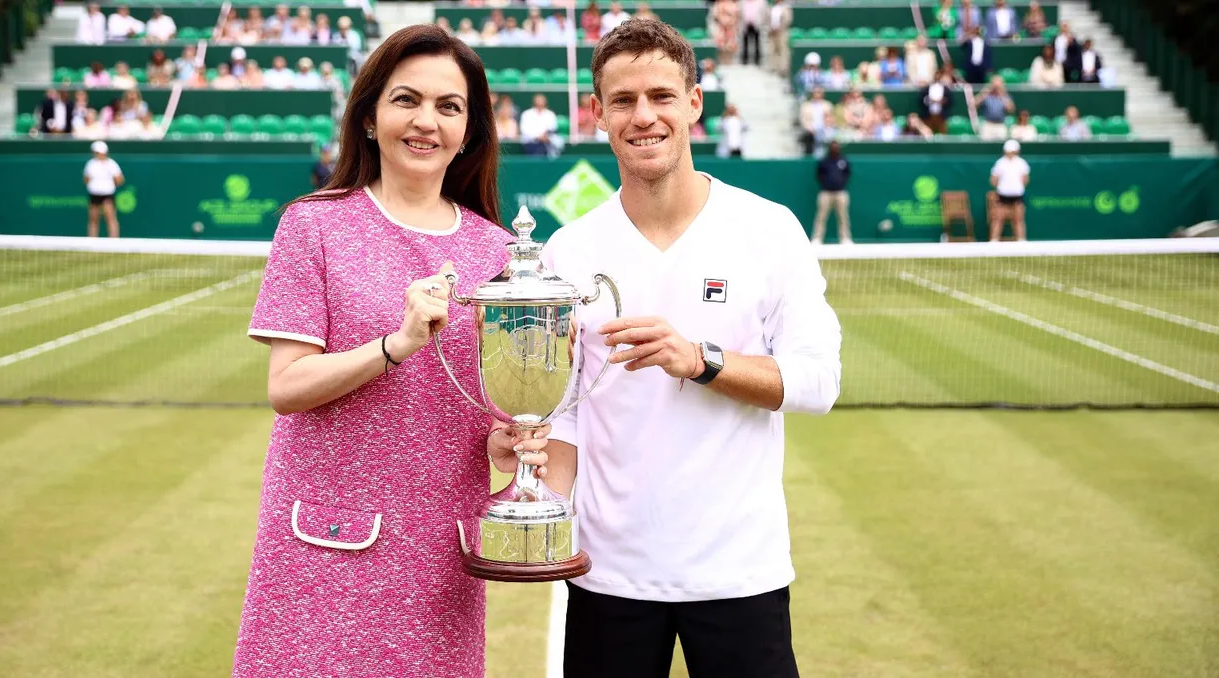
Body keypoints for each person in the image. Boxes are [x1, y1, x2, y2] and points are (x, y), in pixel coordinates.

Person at [233, 24, 551, 678]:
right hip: (324, 552)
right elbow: (286, 386)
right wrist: (394, 345)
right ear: (370, 117)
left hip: (441, 558)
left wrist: (507, 442)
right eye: (406, 100)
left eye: (449, 106)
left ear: (471, 129)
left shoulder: (497, 253)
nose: (426, 121)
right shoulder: (312, 224)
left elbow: (480, 412)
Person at [540, 18, 842, 678]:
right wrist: (542, 509)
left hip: (739, 571)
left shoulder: (769, 229)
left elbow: (819, 382)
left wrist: (701, 360)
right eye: (623, 100)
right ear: (597, 113)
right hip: (607, 574)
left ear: (695, 103)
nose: (643, 116)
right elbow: (561, 411)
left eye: (661, 96)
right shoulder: (569, 250)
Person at [812, 140, 852, 244]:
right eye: (833, 147)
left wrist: (840, 183)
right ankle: (817, 238)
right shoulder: (824, 161)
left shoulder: (844, 160)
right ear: (830, 148)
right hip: (826, 193)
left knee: (843, 217)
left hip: (840, 192)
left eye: (836, 147)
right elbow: (819, 175)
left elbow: (847, 174)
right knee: (821, 216)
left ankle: (845, 238)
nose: (835, 149)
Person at [990, 139, 1029, 241]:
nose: (1010, 153)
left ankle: (1021, 241)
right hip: (1003, 195)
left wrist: (1017, 187)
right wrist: (1001, 188)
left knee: (1018, 219)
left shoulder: (1021, 163)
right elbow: (993, 179)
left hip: (1017, 195)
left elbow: (1025, 179)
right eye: (1009, 151)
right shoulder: (1000, 163)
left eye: (1012, 151)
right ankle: (994, 241)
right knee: (998, 219)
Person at [83, 141, 123, 238]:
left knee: (110, 218)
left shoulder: (112, 164)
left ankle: (114, 243)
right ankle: (91, 243)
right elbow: (86, 179)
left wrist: (108, 186)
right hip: (94, 194)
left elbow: (119, 179)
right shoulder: (91, 164)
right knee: (93, 219)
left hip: (107, 195)